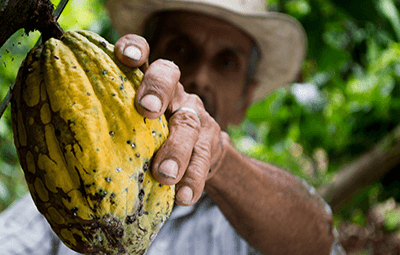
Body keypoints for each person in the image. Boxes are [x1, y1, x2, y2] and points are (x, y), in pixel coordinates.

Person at [0, 0, 345, 254]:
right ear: (140, 62)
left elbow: (316, 239)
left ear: (245, 98)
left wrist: (218, 159)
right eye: (180, 48)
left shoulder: (251, 222)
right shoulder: (65, 186)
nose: (199, 76)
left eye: (226, 61)